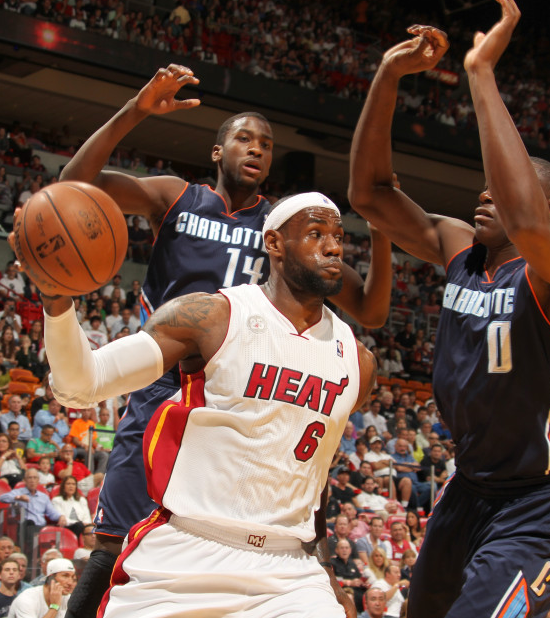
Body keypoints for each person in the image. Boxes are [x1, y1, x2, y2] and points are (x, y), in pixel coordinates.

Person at [55, 63, 392, 617]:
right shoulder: (177, 197)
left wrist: (379, 223)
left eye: (266, 143)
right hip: (163, 379)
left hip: (240, 388)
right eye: (243, 138)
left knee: (237, 534)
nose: (256, 149)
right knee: (116, 541)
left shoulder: (284, 230)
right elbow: (75, 183)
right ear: (217, 151)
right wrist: (136, 110)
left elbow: (371, 309)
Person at [348, 0, 550, 617]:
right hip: (470, 487)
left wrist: (481, 75)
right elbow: (369, 194)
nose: (485, 192)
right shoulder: (458, 247)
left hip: (535, 501)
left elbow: (525, 219)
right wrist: (387, 74)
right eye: (482, 185)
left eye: (503, 186)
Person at [6, 559, 76, 618]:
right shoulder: (26, 599)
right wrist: (54, 607)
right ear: (51, 578)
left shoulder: (68, 599)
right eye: (65, 576)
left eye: (72, 577)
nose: (70, 582)